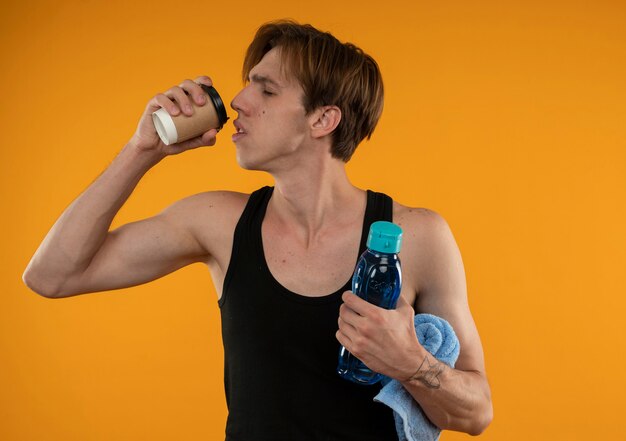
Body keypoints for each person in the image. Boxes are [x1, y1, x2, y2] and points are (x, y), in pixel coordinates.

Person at [23, 20, 493, 440]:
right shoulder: (217, 222)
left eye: (266, 91)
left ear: (323, 119)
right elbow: (52, 276)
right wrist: (142, 148)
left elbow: (476, 413)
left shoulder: (418, 236)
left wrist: (413, 363)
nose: (239, 102)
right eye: (248, 85)